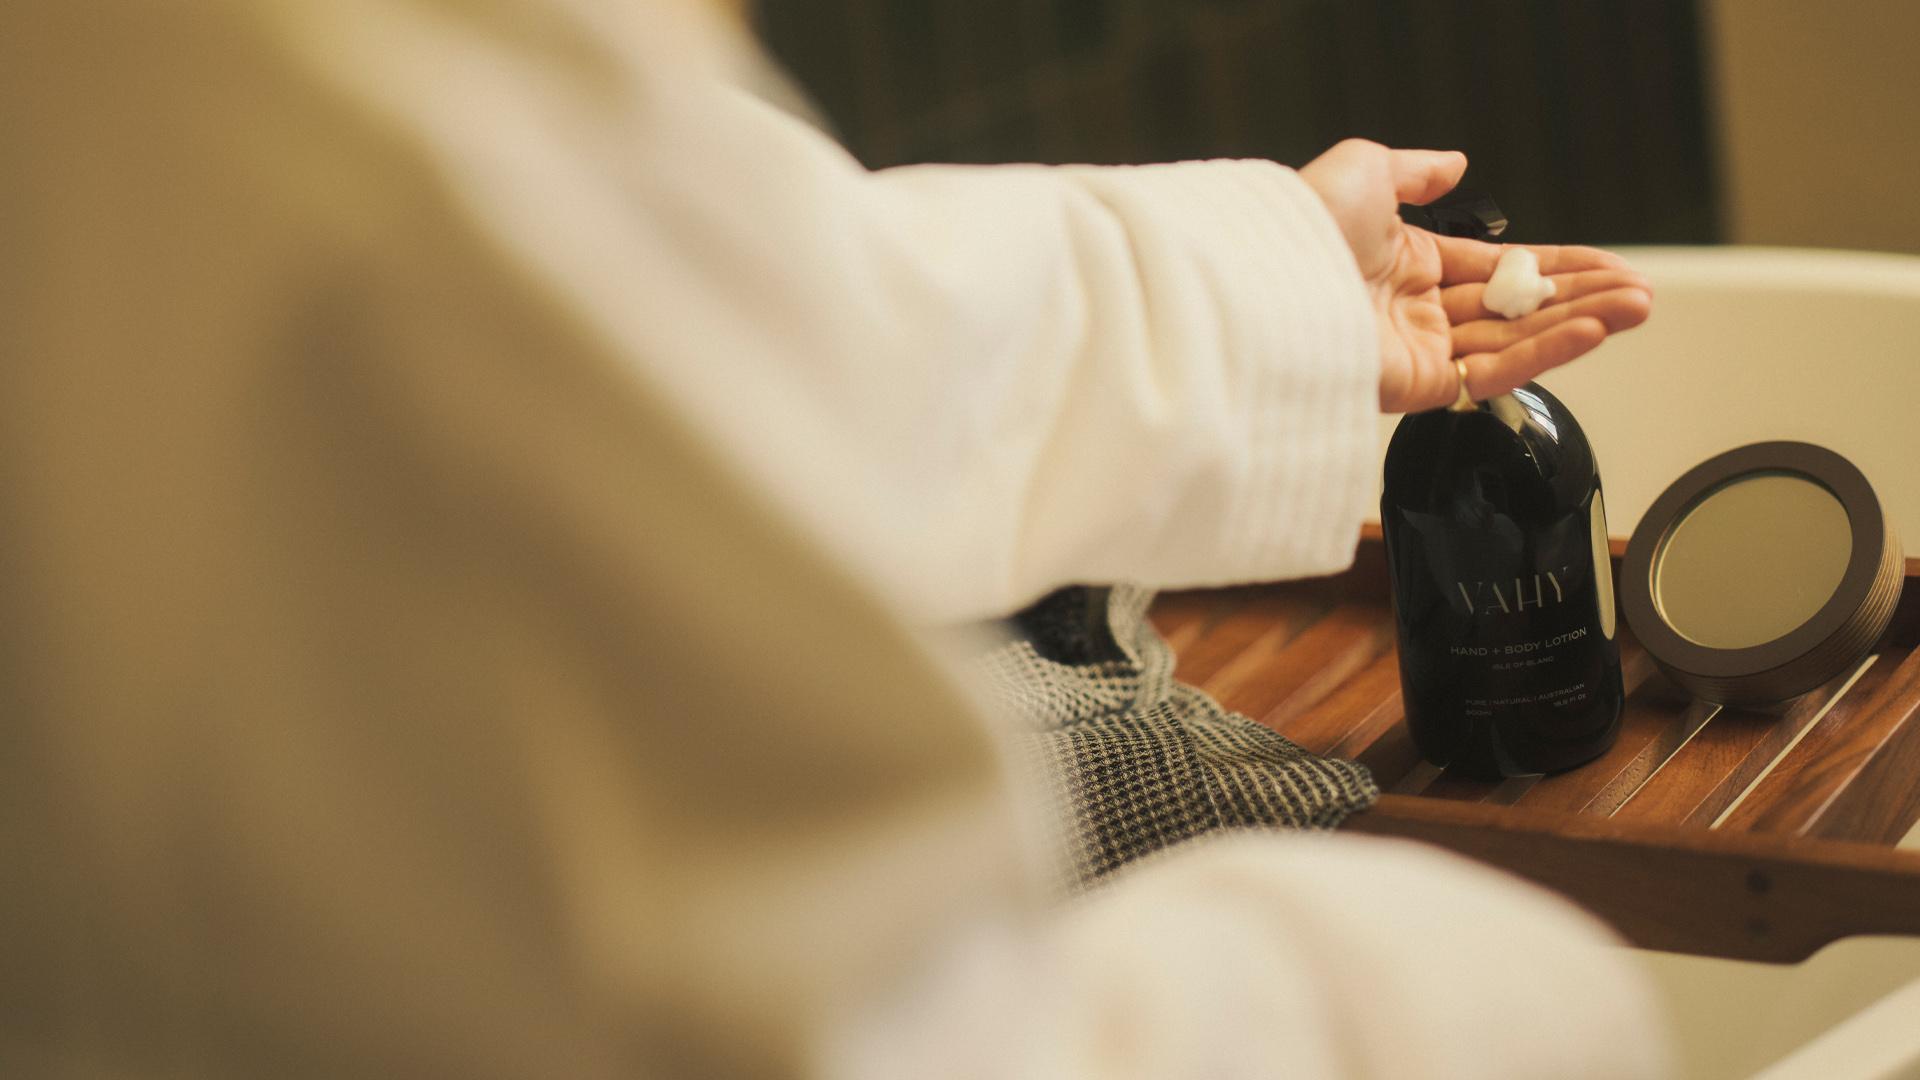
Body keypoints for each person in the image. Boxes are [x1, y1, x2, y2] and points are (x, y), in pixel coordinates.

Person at [0, 1, 1667, 1077]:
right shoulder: (351, 103)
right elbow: (772, 1031)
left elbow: (724, 304)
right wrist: (1478, 999)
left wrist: (1282, 272)